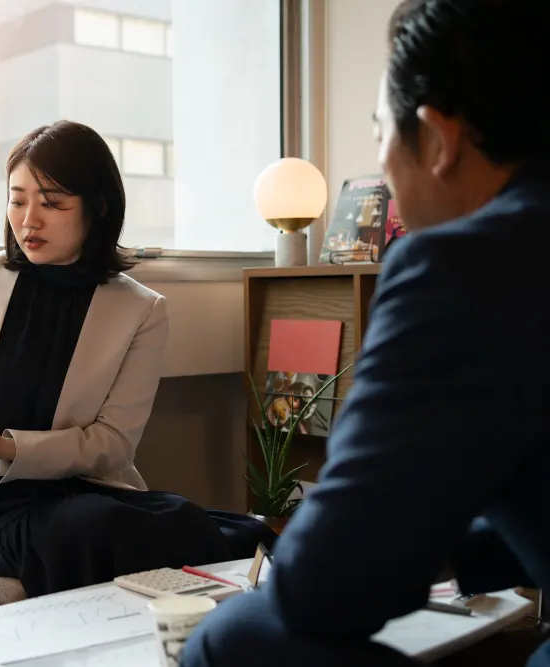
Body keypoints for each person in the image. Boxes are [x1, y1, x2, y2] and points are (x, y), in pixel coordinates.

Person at [181, 0, 550, 665]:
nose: (382, 164)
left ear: (439, 138)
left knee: (230, 636)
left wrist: (357, 543)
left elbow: (319, 589)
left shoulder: (465, 267)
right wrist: (446, 545)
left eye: (379, 131)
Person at [0, 120, 275, 597]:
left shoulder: (139, 309)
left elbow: (112, 444)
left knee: (176, 518)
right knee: (85, 529)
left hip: (85, 489)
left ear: (97, 207)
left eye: (52, 203)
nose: (29, 220)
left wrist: (11, 447)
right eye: (17, 199)